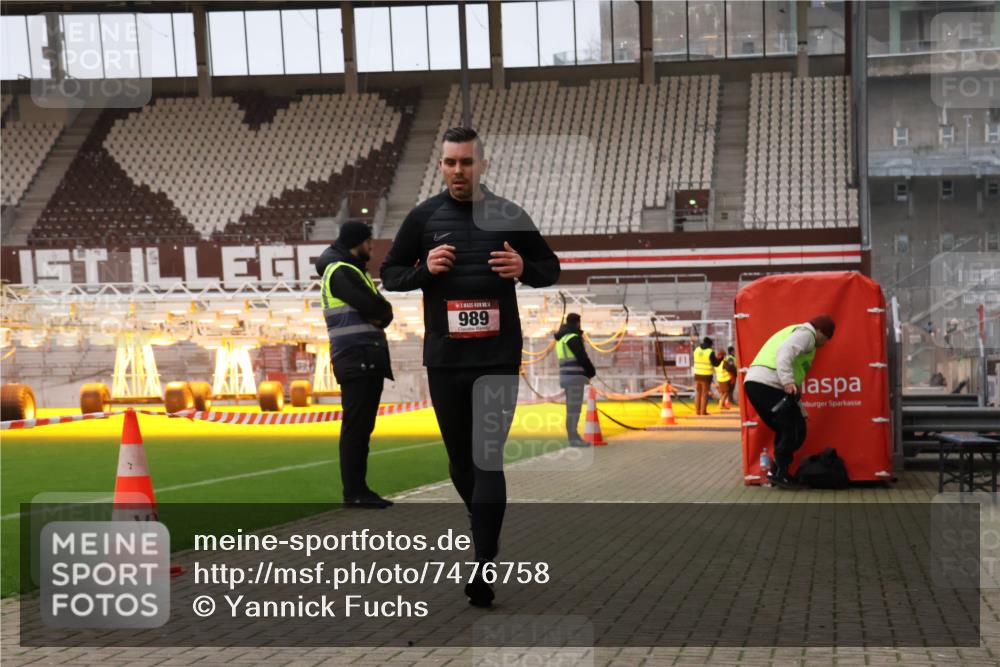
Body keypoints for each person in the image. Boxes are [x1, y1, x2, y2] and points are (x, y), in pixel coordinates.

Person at [381, 127, 560, 607]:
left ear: (483, 165)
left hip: (497, 357)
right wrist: (424, 271)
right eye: (449, 163)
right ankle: (483, 523)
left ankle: (483, 562)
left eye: (466, 162)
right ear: (440, 166)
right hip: (445, 361)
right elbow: (390, 275)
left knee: (486, 458)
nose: (458, 171)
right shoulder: (423, 218)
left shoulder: (509, 215)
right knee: (461, 461)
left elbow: (551, 268)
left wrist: (524, 268)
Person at [316, 221, 395, 509]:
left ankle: (358, 489)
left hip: (361, 357)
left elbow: (381, 312)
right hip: (357, 356)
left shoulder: (347, 270)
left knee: (360, 427)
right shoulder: (342, 272)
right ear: (358, 242)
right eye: (368, 241)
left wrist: (382, 313)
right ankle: (355, 491)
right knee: (357, 428)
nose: (372, 247)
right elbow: (378, 310)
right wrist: (382, 313)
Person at [743, 314, 836, 488]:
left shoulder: (797, 332)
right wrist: (787, 381)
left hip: (758, 383)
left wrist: (801, 410)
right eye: (827, 338)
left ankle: (777, 471)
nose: (825, 343)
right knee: (793, 429)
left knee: (788, 426)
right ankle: (779, 472)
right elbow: (785, 351)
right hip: (768, 382)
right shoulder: (807, 334)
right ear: (821, 332)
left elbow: (793, 393)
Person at [553, 313, 597, 446]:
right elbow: (582, 357)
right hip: (575, 378)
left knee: (571, 409)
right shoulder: (573, 338)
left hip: (566, 377)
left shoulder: (561, 339)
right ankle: (574, 438)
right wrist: (591, 371)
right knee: (574, 409)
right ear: (577, 323)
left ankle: (573, 437)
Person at [692, 337, 721, 415]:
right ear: (710, 344)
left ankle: (697, 411)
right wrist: (720, 359)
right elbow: (716, 364)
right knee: (704, 394)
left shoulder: (696, 349)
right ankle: (703, 411)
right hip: (706, 376)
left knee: (698, 393)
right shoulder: (710, 352)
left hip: (697, 374)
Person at [715, 346, 735, 410]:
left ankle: (722, 405)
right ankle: (721, 404)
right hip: (725, 379)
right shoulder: (723, 362)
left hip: (719, 378)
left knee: (722, 392)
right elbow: (729, 368)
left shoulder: (716, 361)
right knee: (726, 392)